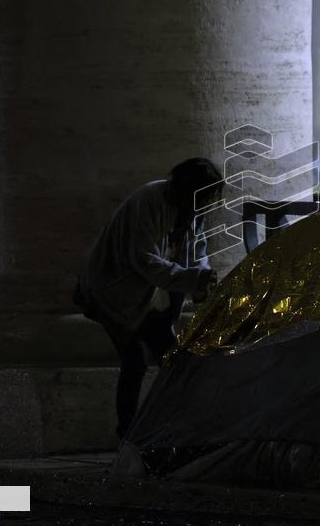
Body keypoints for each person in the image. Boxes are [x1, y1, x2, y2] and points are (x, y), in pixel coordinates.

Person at [74, 157, 224, 438]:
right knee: (135, 361)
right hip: (116, 293)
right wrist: (192, 278)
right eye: (206, 196)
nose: (209, 203)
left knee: (174, 362)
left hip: (151, 297)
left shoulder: (192, 209)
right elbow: (142, 259)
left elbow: (197, 248)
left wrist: (201, 276)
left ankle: (169, 430)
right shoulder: (150, 200)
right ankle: (129, 434)